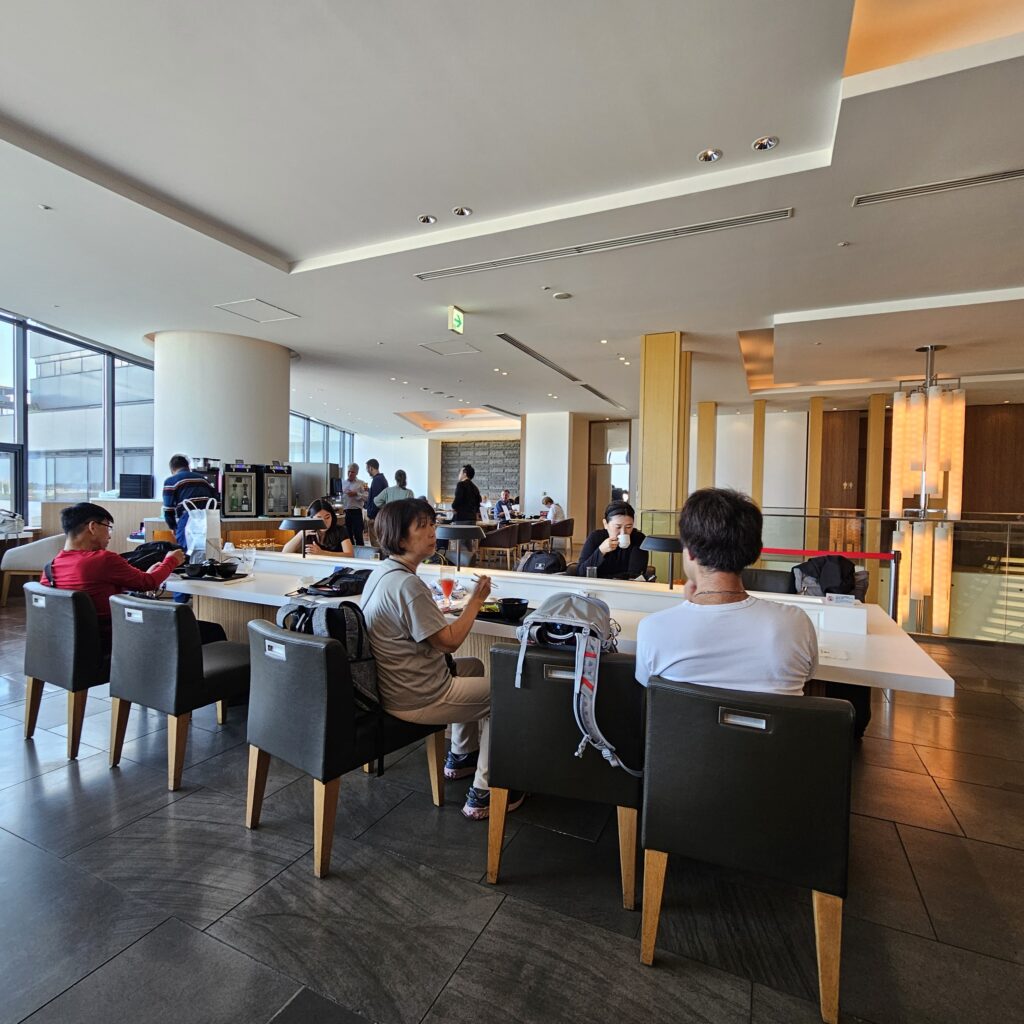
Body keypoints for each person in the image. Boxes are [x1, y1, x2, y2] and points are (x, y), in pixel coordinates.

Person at [361, 499, 525, 820]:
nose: (432, 530)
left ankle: (461, 756)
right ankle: (485, 791)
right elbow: (448, 643)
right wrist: (475, 602)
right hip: (417, 695)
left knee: (474, 668)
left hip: (391, 684)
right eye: (422, 525)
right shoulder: (407, 585)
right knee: (505, 694)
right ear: (401, 537)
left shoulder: (385, 573)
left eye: (432, 523)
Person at [634, 488, 818, 696]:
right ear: (755, 552)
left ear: (691, 552)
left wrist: (690, 608)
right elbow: (808, 676)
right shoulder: (795, 623)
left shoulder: (654, 629)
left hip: (687, 729)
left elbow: (647, 688)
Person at [41, 502, 187, 655]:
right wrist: (172, 560)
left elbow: (98, 590)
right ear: (93, 527)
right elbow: (148, 583)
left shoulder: (49, 568)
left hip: (67, 647)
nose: (109, 535)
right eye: (107, 527)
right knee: (204, 629)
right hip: (115, 641)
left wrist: (146, 576)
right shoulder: (102, 559)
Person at [576, 500, 648, 579]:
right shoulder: (596, 537)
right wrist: (601, 551)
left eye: (628, 527)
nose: (623, 532)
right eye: (618, 527)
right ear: (605, 524)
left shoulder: (639, 539)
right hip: (597, 588)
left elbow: (634, 576)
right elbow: (581, 573)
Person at [161, 454, 218, 553]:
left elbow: (168, 509)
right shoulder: (204, 479)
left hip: (188, 520)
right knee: (210, 554)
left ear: (172, 470)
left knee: (188, 555)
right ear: (188, 467)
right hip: (208, 520)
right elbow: (217, 501)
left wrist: (173, 527)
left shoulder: (171, 481)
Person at [281, 498, 353, 556]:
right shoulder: (307, 532)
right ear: (311, 518)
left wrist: (322, 553)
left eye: (327, 517)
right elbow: (285, 552)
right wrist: (301, 533)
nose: (324, 522)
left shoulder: (341, 530)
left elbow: (350, 555)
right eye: (319, 518)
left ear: (332, 517)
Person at [339, 462, 369, 546]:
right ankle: (351, 554)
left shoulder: (363, 483)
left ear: (357, 473)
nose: (350, 473)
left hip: (357, 512)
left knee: (358, 536)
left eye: (352, 472)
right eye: (348, 471)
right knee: (348, 536)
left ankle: (361, 556)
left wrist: (356, 494)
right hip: (345, 512)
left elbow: (367, 497)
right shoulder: (342, 483)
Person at [365, 459, 388, 545]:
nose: (367, 471)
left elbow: (376, 501)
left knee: (376, 544)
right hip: (379, 516)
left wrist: (371, 516)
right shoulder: (381, 479)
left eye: (367, 468)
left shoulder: (377, 480)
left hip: (375, 517)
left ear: (371, 468)